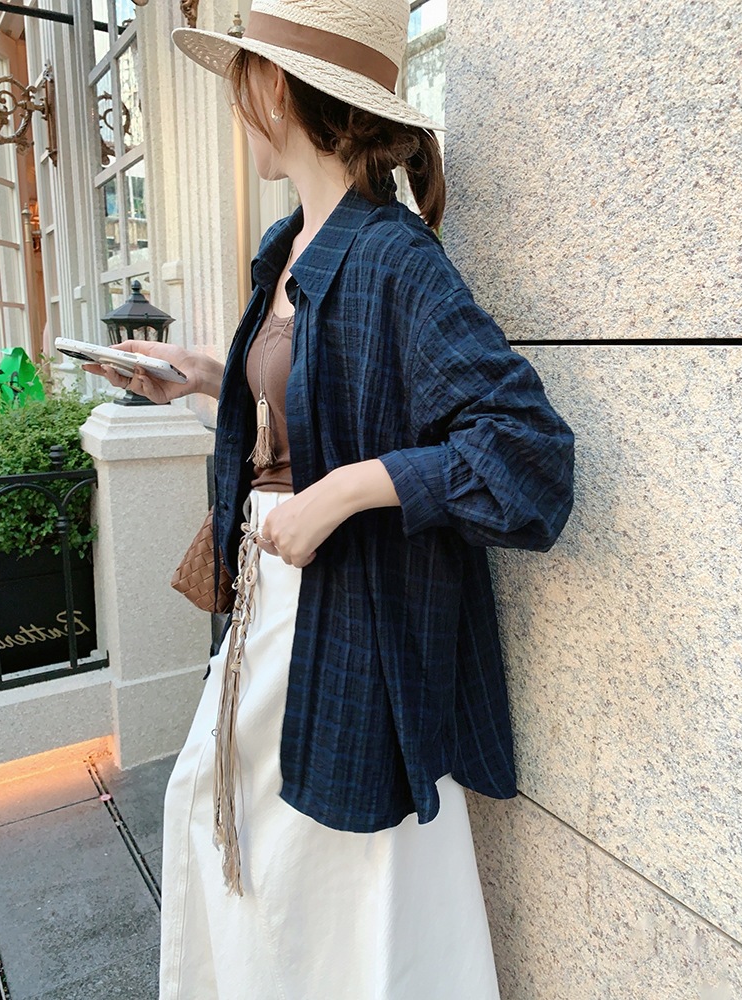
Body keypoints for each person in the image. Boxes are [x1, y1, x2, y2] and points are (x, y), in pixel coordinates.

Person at [85, 1, 574, 997]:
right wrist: (202, 376)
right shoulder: (289, 243)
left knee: (320, 886)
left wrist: (347, 491)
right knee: (237, 846)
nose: (237, 108)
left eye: (242, 82)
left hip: (344, 619)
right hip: (270, 611)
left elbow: (529, 456)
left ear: (276, 87)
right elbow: (312, 393)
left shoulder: (395, 256)